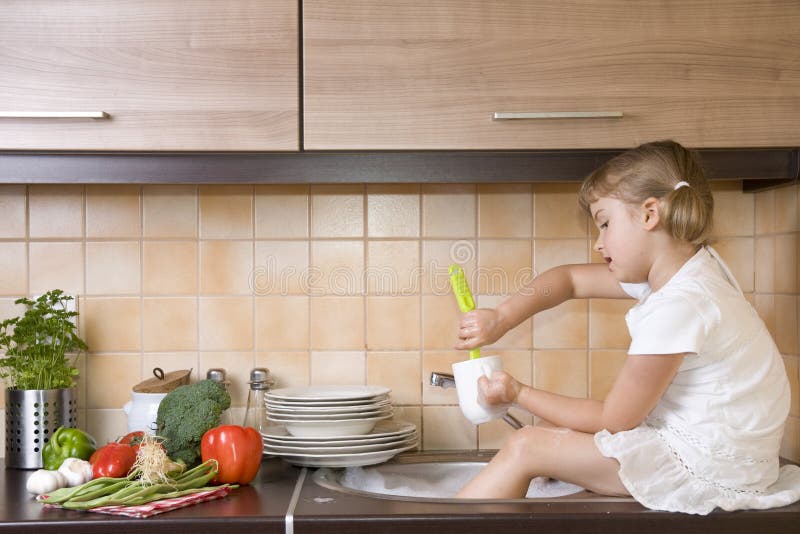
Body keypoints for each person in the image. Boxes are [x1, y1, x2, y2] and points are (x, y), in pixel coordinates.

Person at [453, 140, 800, 514]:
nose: (598, 243)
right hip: (730, 460)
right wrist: (502, 317)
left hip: (708, 470)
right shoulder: (692, 273)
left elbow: (614, 420)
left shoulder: (680, 304)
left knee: (527, 445)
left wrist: (516, 392)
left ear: (650, 214)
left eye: (604, 223)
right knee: (548, 433)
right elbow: (569, 280)